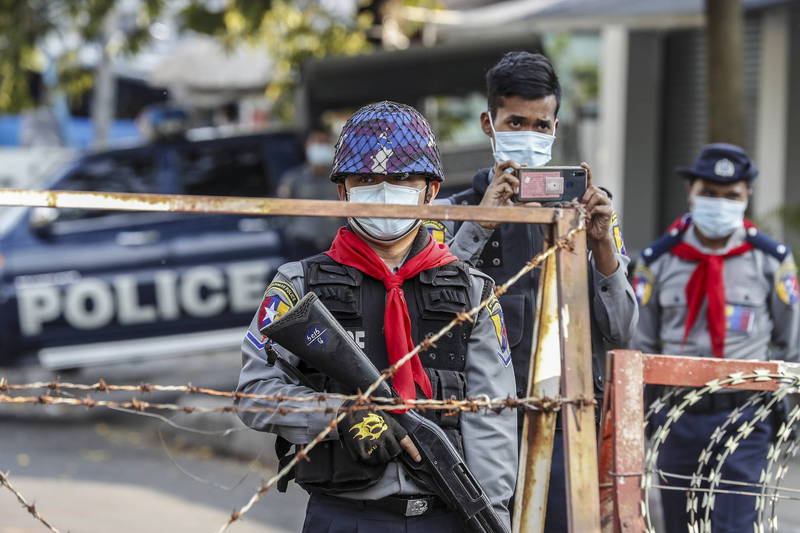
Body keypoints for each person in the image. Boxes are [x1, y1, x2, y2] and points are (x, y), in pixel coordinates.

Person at [236, 101, 517, 532]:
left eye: (402, 178)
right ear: (342, 191)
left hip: (447, 517)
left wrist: (494, 518)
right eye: (366, 179)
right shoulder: (299, 284)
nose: (384, 190)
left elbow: (492, 420)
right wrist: (340, 414)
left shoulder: (472, 291)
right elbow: (254, 392)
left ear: (431, 189)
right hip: (346, 516)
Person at [430, 50, 638, 532]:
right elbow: (433, 318)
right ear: (489, 123)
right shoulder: (453, 215)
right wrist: (483, 223)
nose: (529, 137)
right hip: (475, 427)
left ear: (556, 128)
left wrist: (603, 243)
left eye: (541, 126)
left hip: (566, 425)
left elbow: (624, 328)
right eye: (515, 122)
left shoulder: (586, 216)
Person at [632, 143, 800, 532]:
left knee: (733, 525)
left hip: (745, 416)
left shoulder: (771, 260)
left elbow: (791, 343)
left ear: (747, 197)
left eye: (731, 196)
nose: (719, 203)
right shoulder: (658, 261)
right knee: (680, 523)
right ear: (690, 191)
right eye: (709, 193)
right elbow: (643, 345)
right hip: (678, 417)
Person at [277, 126, 342, 256]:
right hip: (303, 245)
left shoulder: (340, 178)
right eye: (316, 142)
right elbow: (283, 212)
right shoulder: (293, 179)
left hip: (336, 245)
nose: (320, 146)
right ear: (307, 145)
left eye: (324, 142)